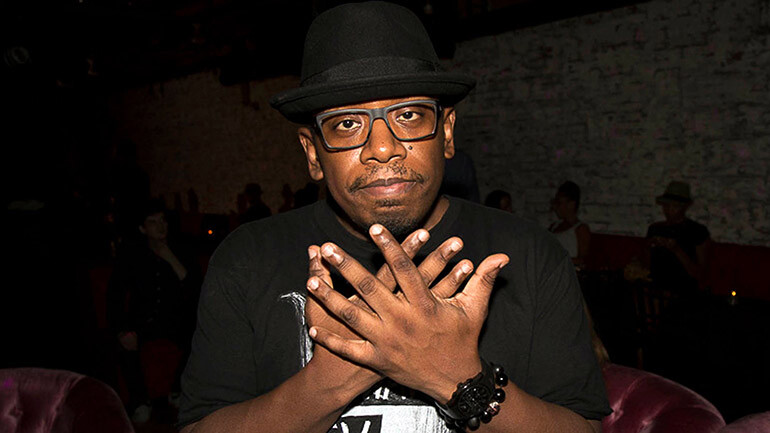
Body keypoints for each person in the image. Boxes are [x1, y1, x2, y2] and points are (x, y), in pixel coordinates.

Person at [178, 3, 609, 433]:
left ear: (447, 133)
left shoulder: (529, 256)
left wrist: (458, 379)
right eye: (347, 123)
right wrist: (329, 382)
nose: (382, 148)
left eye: (408, 115)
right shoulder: (247, 259)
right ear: (312, 154)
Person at [107, 199, 201, 423]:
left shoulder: (181, 248)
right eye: (153, 222)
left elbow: (196, 289)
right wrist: (122, 330)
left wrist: (170, 258)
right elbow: (115, 295)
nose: (161, 226)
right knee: (124, 343)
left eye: (163, 221)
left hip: (176, 319)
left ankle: (178, 391)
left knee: (198, 335)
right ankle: (140, 401)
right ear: (142, 228)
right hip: (143, 320)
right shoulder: (132, 253)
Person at [646, 181, 710, 294]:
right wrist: (650, 245)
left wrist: (677, 250)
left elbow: (700, 274)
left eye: (675, 206)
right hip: (656, 289)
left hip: (683, 291)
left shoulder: (697, 231)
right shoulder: (655, 229)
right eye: (666, 206)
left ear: (684, 207)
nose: (669, 210)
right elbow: (645, 264)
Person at [549, 181, 590, 268]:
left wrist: (557, 260)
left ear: (571, 204)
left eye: (559, 203)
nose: (555, 207)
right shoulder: (554, 226)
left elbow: (582, 260)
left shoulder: (581, 229)